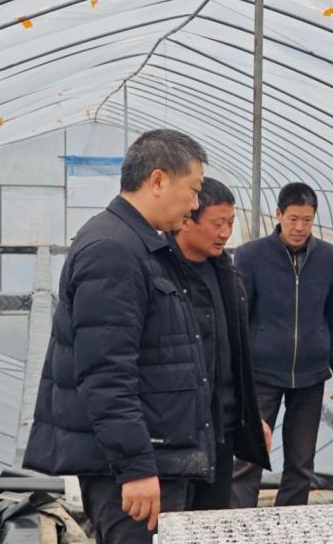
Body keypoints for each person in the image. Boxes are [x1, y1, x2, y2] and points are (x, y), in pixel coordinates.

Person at [23, 129, 211, 543]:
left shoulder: (141, 244)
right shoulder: (114, 250)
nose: (196, 204)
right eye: (194, 189)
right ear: (158, 180)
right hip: (132, 470)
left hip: (153, 456)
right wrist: (136, 467)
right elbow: (106, 374)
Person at [230, 182, 333, 507]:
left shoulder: (329, 257)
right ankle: (237, 521)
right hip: (262, 373)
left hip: (310, 375)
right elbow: (239, 316)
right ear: (279, 214)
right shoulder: (251, 256)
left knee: (301, 462)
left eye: (307, 220)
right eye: (294, 218)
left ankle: (289, 522)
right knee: (249, 455)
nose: (300, 227)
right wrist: (237, 371)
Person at [172, 177, 271, 509]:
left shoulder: (227, 275)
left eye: (231, 223)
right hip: (177, 436)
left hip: (222, 431)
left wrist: (250, 415)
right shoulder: (159, 273)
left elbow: (235, 357)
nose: (226, 233)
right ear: (187, 219)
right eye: (218, 224)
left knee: (211, 518)